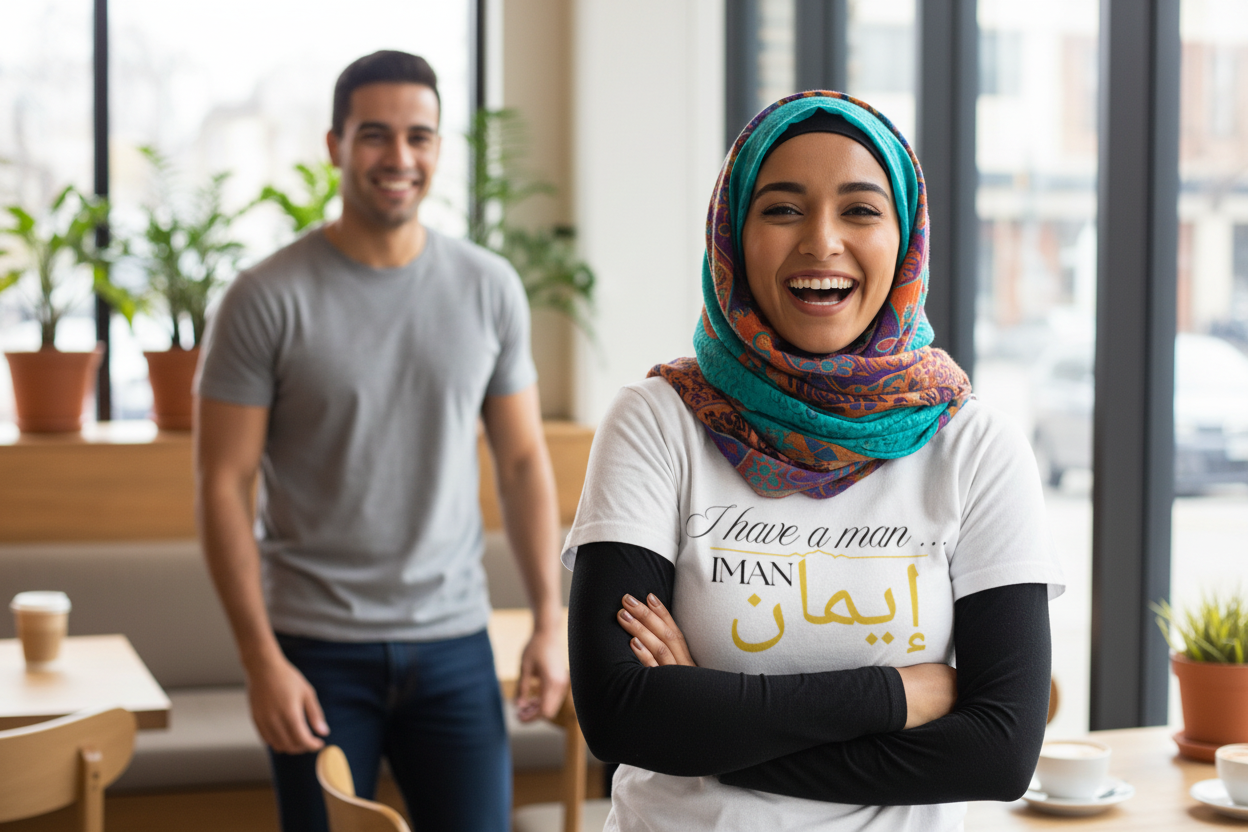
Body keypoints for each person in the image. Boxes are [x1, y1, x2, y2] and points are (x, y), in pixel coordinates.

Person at [564, 91, 1065, 832]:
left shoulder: (976, 448)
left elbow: (998, 752)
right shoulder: (656, 422)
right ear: (733, 234)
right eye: (782, 209)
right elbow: (621, 716)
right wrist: (897, 695)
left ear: (905, 240)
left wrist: (703, 720)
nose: (821, 241)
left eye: (860, 210)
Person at [194, 50, 567, 832]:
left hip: (456, 646)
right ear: (335, 144)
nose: (399, 158)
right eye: (374, 135)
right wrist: (261, 662)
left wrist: (548, 618)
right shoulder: (263, 298)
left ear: (438, 149)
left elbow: (525, 460)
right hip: (315, 650)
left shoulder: (488, 287)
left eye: (419, 137)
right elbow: (224, 485)